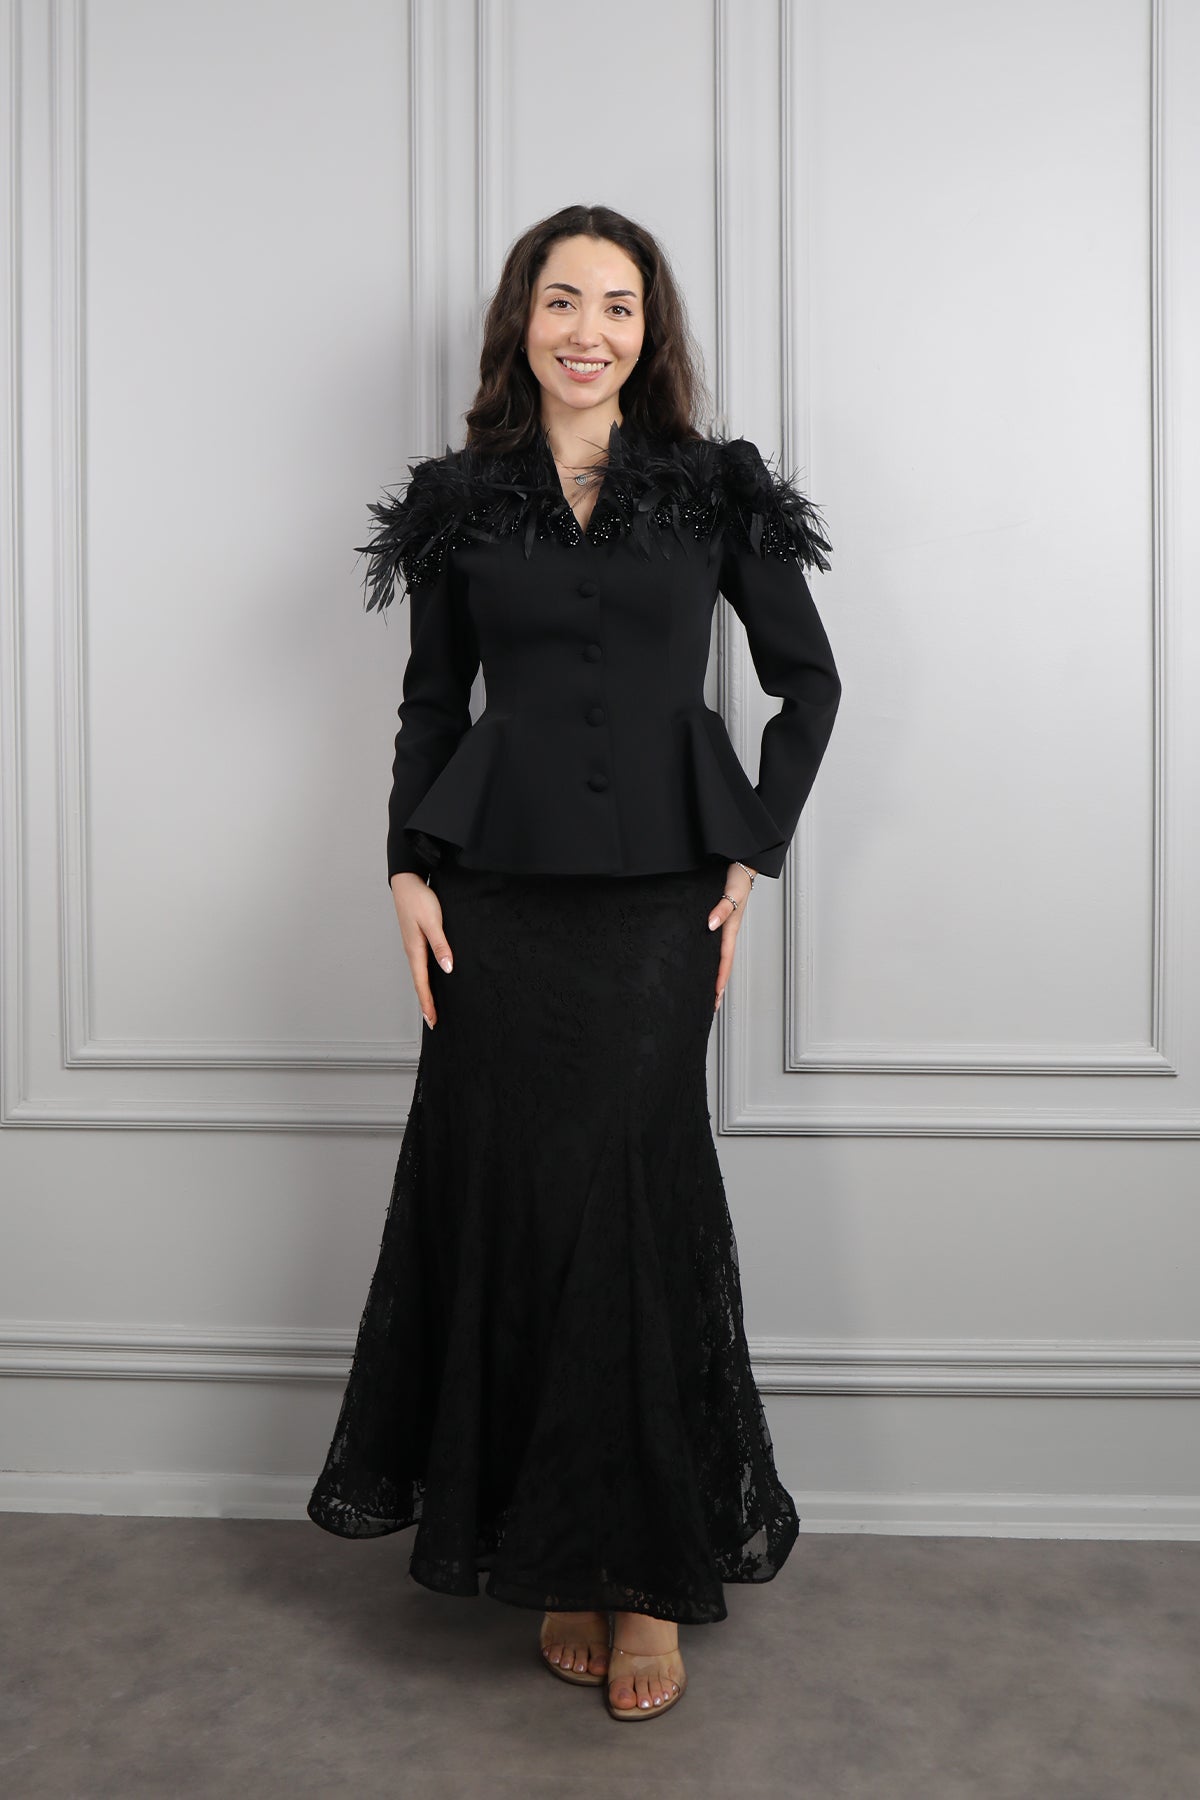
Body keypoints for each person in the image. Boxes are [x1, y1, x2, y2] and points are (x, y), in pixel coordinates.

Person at [306, 203, 842, 1724]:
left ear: (648, 331)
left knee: (633, 1196)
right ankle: (554, 1542)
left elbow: (808, 683)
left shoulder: (718, 491)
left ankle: (643, 1571)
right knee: (525, 1201)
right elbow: (430, 704)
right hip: (495, 898)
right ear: (522, 324)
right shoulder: (459, 504)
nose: (587, 330)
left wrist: (753, 842)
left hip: (661, 901)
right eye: (561, 301)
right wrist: (405, 866)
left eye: (617, 304)